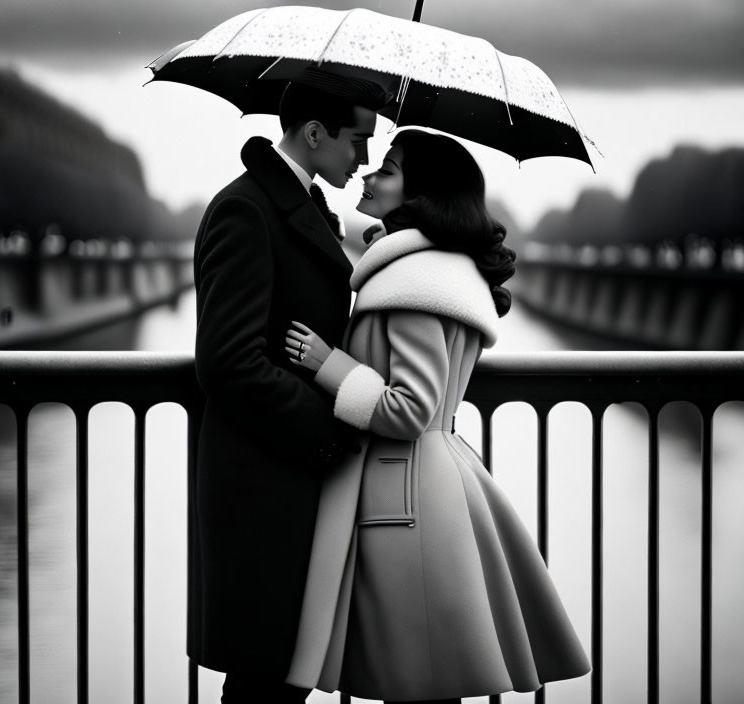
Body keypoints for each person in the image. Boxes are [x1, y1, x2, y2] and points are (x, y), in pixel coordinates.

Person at [284, 130, 591, 703]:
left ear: (423, 196)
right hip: (423, 485)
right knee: (426, 678)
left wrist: (330, 366)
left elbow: (409, 408)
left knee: (416, 678)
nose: (371, 175)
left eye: (390, 169)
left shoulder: (413, 281)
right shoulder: (433, 271)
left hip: (404, 496)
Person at [191, 73, 392, 704]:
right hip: (266, 480)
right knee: (266, 677)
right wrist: (327, 426)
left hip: (284, 473)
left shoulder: (289, 203)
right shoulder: (245, 210)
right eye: (358, 139)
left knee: (276, 675)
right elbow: (228, 360)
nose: (364, 158)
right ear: (314, 133)